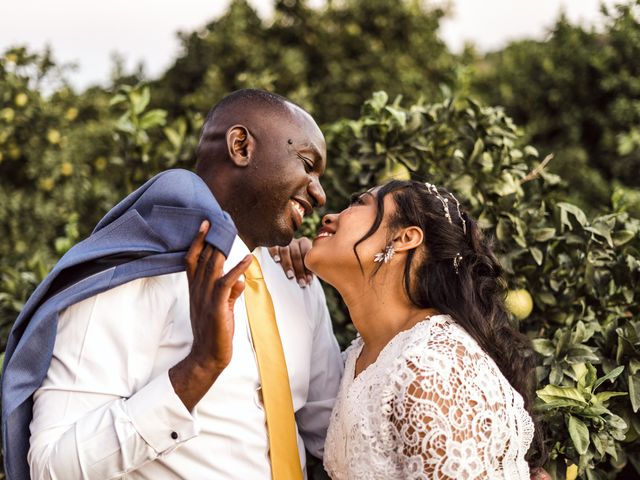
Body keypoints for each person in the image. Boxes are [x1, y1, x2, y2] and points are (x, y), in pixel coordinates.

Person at [1, 89, 343, 479]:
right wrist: (199, 370)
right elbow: (50, 467)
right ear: (241, 146)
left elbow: (330, 437)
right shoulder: (133, 273)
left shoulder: (298, 283)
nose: (319, 193)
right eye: (306, 164)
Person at [304, 180, 546, 479]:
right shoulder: (363, 356)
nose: (330, 216)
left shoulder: (432, 367)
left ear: (404, 238)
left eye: (359, 203)